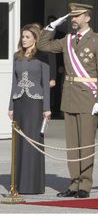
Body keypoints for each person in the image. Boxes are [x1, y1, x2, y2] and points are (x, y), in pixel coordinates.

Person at [37, 3, 98, 198]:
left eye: (77, 16)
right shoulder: (67, 40)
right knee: (72, 144)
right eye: (72, 17)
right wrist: (51, 27)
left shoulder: (97, 40)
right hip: (69, 96)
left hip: (88, 97)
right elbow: (42, 45)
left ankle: (85, 184)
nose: (74, 20)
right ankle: (73, 183)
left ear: (88, 17)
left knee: (86, 142)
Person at [8, 23, 51, 194]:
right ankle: (18, 183)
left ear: (35, 38)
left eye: (27, 37)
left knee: (32, 142)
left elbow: (46, 85)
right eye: (22, 37)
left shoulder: (42, 57)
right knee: (19, 142)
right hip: (19, 103)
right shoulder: (16, 56)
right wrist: (10, 106)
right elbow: (13, 82)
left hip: (35, 104)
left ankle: (32, 184)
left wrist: (47, 108)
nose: (24, 40)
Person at [46, 16, 66, 119]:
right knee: (47, 90)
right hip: (46, 64)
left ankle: (57, 111)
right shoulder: (45, 34)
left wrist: (62, 65)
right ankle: (47, 109)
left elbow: (64, 52)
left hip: (58, 65)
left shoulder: (62, 35)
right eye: (50, 22)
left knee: (57, 89)